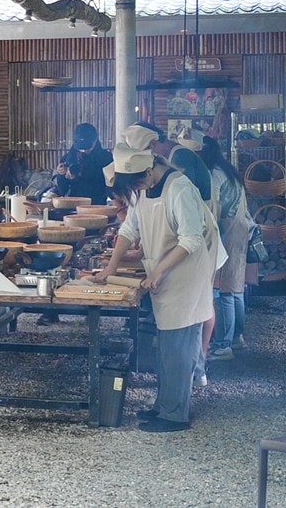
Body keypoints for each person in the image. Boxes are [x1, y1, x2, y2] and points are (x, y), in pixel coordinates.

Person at [96, 143, 222, 433]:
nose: (137, 188)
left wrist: (160, 272)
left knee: (179, 346)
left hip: (185, 273)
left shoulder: (179, 188)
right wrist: (111, 268)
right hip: (165, 273)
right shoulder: (143, 188)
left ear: (150, 170)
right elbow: (129, 230)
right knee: (166, 346)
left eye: (138, 182)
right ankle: (163, 406)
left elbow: (190, 240)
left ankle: (176, 415)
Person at [199, 137, 250, 360]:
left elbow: (213, 204)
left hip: (226, 229)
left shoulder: (214, 174)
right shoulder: (227, 170)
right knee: (236, 286)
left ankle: (223, 345)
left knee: (225, 289)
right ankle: (237, 337)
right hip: (240, 227)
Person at [54, 123, 113, 205]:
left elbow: (106, 187)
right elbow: (62, 190)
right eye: (80, 148)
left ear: (95, 141)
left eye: (87, 147)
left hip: (96, 205)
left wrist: (79, 177)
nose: (84, 151)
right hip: (72, 205)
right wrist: (60, 174)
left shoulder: (106, 158)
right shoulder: (68, 158)